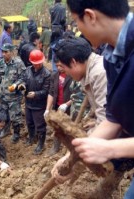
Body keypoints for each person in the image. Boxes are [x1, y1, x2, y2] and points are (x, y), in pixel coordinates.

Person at [52, 1, 134, 198]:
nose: (76, 29)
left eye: (75, 21)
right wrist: (75, 156)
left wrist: (110, 149)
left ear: (89, 16)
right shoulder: (112, 56)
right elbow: (114, 118)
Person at [0, 43, 26, 143]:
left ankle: (16, 134)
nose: (3, 54)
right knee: (4, 115)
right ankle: (6, 131)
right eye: (2, 52)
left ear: (11, 52)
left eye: (6, 52)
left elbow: (23, 78)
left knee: (15, 117)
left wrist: (15, 85)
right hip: (3, 95)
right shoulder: (0, 63)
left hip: (14, 97)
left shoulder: (18, 63)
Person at [19, 49, 50, 154]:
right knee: (29, 122)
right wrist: (23, 85)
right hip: (28, 103)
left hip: (39, 105)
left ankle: (41, 144)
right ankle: (32, 138)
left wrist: (36, 94)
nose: (36, 66)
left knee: (40, 125)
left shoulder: (46, 74)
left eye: (38, 64)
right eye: (34, 64)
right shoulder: (28, 70)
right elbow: (24, 79)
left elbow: (46, 91)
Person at [45, 58, 72, 156]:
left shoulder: (72, 75)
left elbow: (77, 94)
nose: (59, 68)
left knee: (70, 128)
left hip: (70, 108)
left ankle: (69, 149)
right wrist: (48, 109)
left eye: (61, 65)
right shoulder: (55, 75)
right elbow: (51, 92)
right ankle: (55, 147)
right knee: (57, 127)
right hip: (58, 107)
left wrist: (67, 104)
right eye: (57, 66)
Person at [49, 0, 66, 71]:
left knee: (53, 48)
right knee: (61, 48)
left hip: (53, 28)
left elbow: (52, 19)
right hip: (60, 29)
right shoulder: (62, 8)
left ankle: (54, 69)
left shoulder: (52, 8)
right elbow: (63, 19)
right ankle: (61, 68)